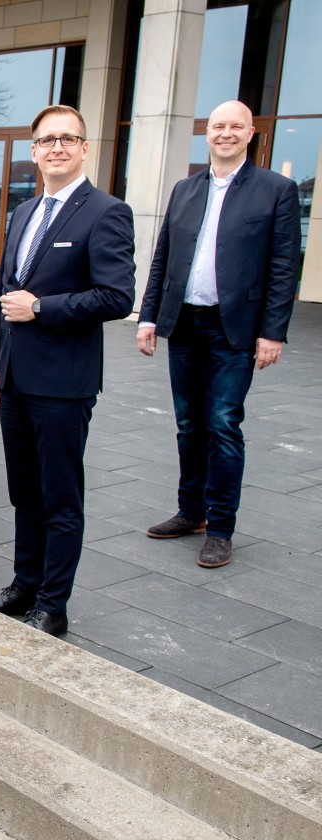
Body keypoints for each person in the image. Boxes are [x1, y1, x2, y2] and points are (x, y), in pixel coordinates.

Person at [0, 105, 135, 637]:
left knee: (61, 496)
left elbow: (116, 296)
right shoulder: (23, 213)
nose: (57, 148)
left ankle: (53, 603)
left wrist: (44, 308)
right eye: (47, 140)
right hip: (15, 377)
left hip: (63, 383)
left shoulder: (106, 211)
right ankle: (25, 582)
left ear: (85, 148)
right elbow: (6, 296)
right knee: (24, 489)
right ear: (34, 151)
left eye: (68, 139)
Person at [136, 100, 301, 569]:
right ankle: (192, 513)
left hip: (237, 329)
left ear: (251, 133)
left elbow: (284, 269)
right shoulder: (185, 189)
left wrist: (273, 332)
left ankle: (222, 527)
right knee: (189, 425)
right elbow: (162, 258)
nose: (225, 133)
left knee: (224, 424)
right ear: (206, 134)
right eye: (217, 126)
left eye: (235, 126)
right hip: (184, 323)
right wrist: (148, 316)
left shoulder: (276, 190)